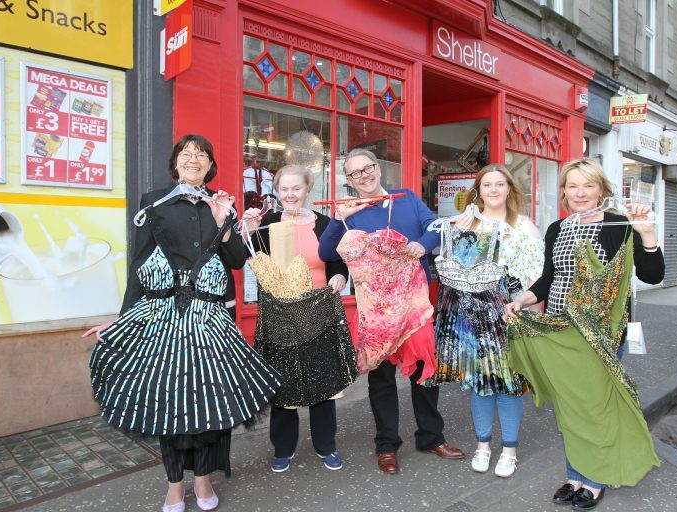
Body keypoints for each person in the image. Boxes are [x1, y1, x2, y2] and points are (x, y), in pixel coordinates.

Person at [85, 134, 281, 512]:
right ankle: (174, 486)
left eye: (201, 154)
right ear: (175, 162)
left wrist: (224, 222)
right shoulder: (154, 202)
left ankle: (203, 480)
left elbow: (236, 260)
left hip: (210, 322)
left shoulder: (220, 203)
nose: (193, 159)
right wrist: (124, 321)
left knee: (209, 405)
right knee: (169, 405)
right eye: (186, 153)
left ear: (210, 165)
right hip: (165, 321)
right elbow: (140, 265)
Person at [503, 158, 664, 510]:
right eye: (572, 186)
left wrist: (647, 235)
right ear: (563, 191)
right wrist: (522, 300)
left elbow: (653, 275)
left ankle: (594, 479)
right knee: (570, 409)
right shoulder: (557, 228)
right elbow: (549, 279)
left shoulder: (619, 225)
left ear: (601, 189)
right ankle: (575, 476)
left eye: (588, 185)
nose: (580, 193)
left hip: (601, 336)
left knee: (596, 408)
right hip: (559, 333)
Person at [318, 148, 464, 475]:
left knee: (424, 370)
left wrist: (423, 244)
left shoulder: (406, 198)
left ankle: (431, 436)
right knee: (381, 378)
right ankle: (386, 445)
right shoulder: (349, 212)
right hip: (377, 309)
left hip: (413, 303)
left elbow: (436, 226)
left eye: (367, 168)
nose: (364, 175)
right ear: (349, 179)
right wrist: (338, 219)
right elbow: (327, 252)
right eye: (355, 173)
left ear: (378, 168)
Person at [429, 164, 544, 479]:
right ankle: (483, 446)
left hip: (510, 315)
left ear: (509, 189)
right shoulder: (467, 223)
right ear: (478, 190)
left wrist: (534, 319)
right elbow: (453, 273)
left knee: (509, 385)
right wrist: (460, 230)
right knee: (479, 384)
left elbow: (536, 278)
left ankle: (509, 451)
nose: (493, 190)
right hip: (473, 319)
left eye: (500, 184)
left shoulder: (524, 226)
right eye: (487, 185)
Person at [242, 164, 358, 474]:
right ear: (277, 192)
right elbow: (249, 256)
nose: (290, 194)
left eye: (296, 188)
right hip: (281, 314)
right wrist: (248, 232)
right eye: (284, 189)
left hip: (319, 310)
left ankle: (326, 445)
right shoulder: (268, 222)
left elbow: (337, 260)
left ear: (307, 189)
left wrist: (339, 277)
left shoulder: (324, 223)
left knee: (323, 382)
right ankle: (283, 448)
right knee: (284, 385)